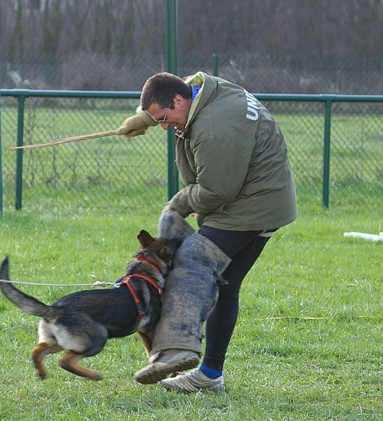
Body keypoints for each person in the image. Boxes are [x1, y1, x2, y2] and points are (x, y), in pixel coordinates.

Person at [118, 72, 297, 393]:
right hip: (264, 200)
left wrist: (178, 204)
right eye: (157, 120)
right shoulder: (199, 92)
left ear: (179, 101)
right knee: (225, 286)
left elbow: (217, 189)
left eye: (164, 118)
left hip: (250, 206)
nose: (163, 126)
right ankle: (210, 375)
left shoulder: (214, 128)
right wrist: (145, 119)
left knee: (191, 259)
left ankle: (178, 349)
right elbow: (172, 91)